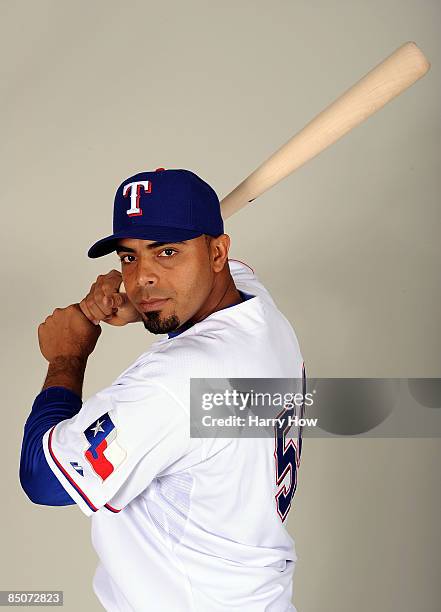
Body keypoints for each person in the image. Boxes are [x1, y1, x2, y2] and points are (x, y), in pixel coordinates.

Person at [20, 168, 306, 611]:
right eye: (129, 257)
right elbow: (230, 280)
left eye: (166, 252)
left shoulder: (175, 382)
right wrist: (144, 306)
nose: (141, 279)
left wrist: (67, 357)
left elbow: (42, 478)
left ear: (217, 253)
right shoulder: (259, 311)